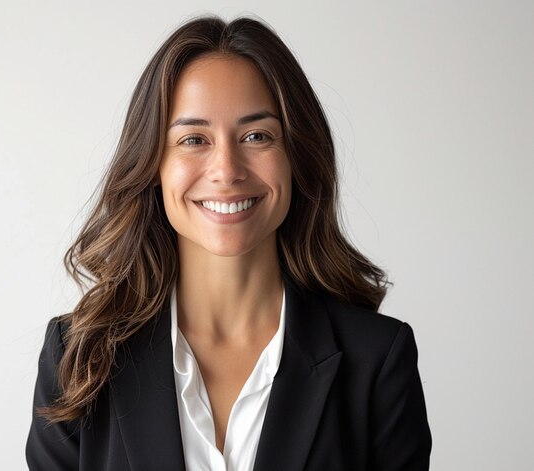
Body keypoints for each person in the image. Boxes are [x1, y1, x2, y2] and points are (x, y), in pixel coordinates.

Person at [26, 15, 431, 471]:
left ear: (297, 156)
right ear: (152, 165)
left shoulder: (376, 361)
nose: (226, 169)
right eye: (194, 139)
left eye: (257, 135)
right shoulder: (77, 358)